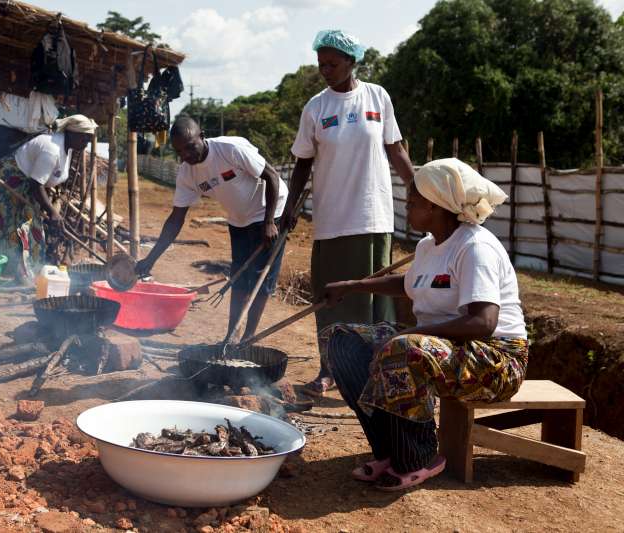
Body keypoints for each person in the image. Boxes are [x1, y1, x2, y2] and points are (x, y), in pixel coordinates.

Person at [321, 158, 527, 491]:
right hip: (443, 346)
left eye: (413, 202)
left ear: (434, 207)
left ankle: (419, 457)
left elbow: (483, 321)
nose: (408, 207)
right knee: (342, 340)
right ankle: (388, 450)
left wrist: (411, 333)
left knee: (402, 349)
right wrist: (353, 286)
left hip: (496, 359)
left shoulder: (476, 247)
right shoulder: (428, 246)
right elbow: (413, 283)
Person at [282, 29, 416, 396]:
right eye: (321, 63)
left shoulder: (377, 97)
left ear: (352, 62)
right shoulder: (316, 107)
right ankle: (329, 372)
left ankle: (378, 373)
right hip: (332, 219)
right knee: (331, 301)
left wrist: (421, 190)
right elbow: (301, 165)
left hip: (373, 215)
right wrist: (289, 210)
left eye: (332, 63)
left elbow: (396, 150)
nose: (325, 70)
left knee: (375, 302)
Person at [136, 116, 288, 340]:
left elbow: (272, 177)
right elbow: (175, 219)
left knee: (259, 279)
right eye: (180, 152)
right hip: (238, 219)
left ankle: (248, 337)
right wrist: (151, 259)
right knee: (238, 277)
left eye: (190, 147)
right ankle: (231, 337)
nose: (187, 155)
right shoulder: (187, 172)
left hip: (270, 210)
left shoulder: (230, 149)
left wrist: (269, 222)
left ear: (202, 136)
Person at [0, 115, 95, 281]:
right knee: (6, 224)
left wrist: (51, 210)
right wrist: (52, 212)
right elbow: (37, 184)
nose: (87, 142)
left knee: (32, 225)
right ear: (72, 133)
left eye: (89, 138)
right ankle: (4, 272)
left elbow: (42, 181)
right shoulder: (52, 150)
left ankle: (30, 270)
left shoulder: (67, 147)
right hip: (9, 179)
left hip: (28, 184)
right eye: (85, 137)